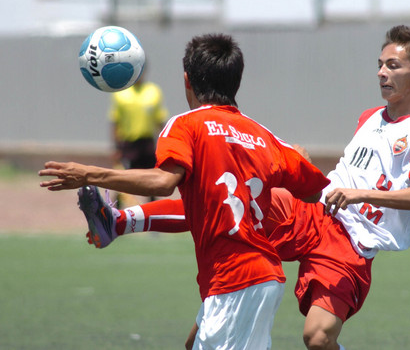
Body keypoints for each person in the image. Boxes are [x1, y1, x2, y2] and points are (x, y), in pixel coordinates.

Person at [74, 25, 410, 350]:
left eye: (393, 66)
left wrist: (357, 195)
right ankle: (119, 221)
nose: (382, 72)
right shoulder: (369, 118)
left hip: (353, 241)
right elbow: (339, 179)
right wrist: (303, 167)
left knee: (317, 339)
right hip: (315, 212)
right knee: (227, 195)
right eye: (380, 65)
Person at [39, 33, 330, 350]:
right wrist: (300, 160)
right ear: (237, 81)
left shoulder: (187, 125)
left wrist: (89, 173)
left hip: (236, 281)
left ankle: (118, 221)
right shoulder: (264, 137)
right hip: (253, 277)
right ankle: (118, 221)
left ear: (186, 80)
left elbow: (163, 183)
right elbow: (315, 191)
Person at [109, 66, 168, 206]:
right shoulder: (121, 93)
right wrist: (116, 147)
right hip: (128, 144)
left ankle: (153, 209)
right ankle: (115, 210)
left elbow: (160, 120)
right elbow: (115, 122)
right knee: (121, 179)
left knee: (152, 179)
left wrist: (165, 145)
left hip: (147, 143)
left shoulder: (153, 92)